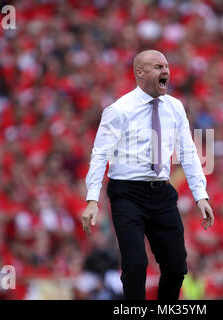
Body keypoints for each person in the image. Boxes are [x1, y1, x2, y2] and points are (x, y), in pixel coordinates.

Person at [81, 50, 214, 300]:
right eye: (157, 66)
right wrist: (91, 199)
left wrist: (201, 195)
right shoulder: (119, 110)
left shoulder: (175, 107)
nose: (165, 71)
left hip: (162, 192)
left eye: (166, 66)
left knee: (176, 268)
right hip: (127, 193)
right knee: (135, 265)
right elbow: (99, 155)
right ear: (139, 72)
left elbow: (188, 152)